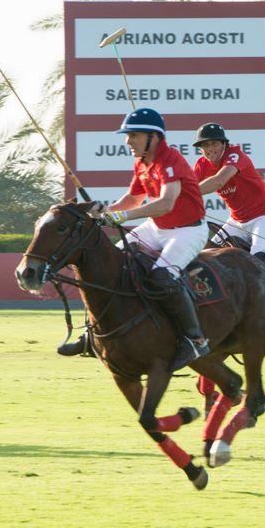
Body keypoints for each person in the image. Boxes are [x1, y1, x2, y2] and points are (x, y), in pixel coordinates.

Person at [64, 108, 211, 368]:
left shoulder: (170, 161)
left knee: (162, 277)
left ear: (153, 137)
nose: (127, 141)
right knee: (109, 264)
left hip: (188, 231)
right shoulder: (142, 162)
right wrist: (106, 212)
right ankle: (90, 334)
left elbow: (166, 203)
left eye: (133, 135)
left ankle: (195, 341)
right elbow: (133, 198)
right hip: (156, 228)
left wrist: (122, 218)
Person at [193, 122, 265, 328]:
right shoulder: (201, 164)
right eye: (204, 145)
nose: (209, 149)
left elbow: (218, 181)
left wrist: (184, 193)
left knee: (260, 259)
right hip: (237, 220)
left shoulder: (235, 156)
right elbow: (188, 184)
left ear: (223, 144)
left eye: (213, 144)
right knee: (206, 253)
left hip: (264, 216)